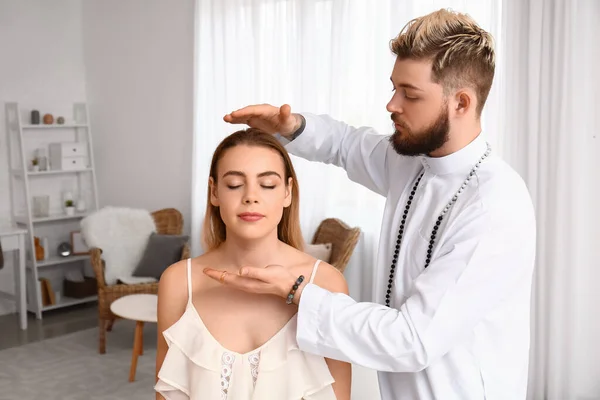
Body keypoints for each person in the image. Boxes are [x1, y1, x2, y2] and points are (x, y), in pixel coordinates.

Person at [205, 8, 537, 400]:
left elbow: (411, 340)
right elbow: (345, 145)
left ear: (461, 103)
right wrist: (289, 127)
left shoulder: (494, 207)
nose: (391, 104)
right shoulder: (412, 160)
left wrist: (297, 291)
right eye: (394, 87)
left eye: (410, 94)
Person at [155, 129, 351, 399]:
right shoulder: (178, 282)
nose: (250, 196)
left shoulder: (325, 283)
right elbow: (167, 393)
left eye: (267, 185)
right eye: (234, 184)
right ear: (214, 192)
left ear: (287, 192)